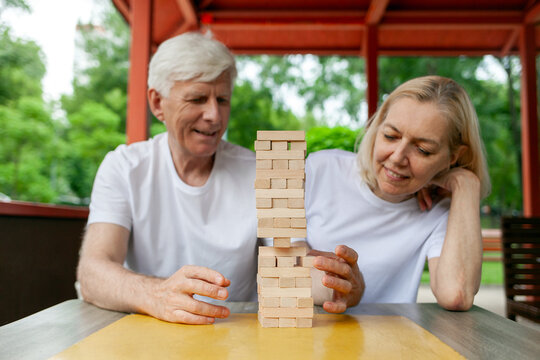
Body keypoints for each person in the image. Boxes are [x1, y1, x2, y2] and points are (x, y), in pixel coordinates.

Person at [77, 31, 361, 325]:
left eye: (222, 99)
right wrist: (157, 295)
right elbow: (93, 271)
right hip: (150, 335)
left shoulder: (266, 171)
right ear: (157, 103)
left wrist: (336, 282)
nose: (214, 115)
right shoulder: (123, 167)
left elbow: (291, 264)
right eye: (198, 98)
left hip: (236, 339)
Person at [305, 75, 490, 310]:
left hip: (390, 342)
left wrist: (466, 184)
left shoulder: (441, 212)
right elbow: (284, 267)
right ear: (377, 126)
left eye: (423, 150)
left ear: (453, 157)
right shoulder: (320, 170)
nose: (397, 157)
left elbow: (456, 294)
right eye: (390, 136)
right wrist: (351, 289)